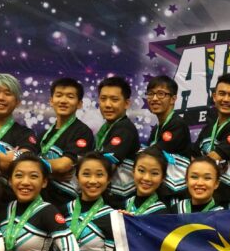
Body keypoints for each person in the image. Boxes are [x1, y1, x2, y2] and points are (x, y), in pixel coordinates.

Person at [192, 73, 230, 204]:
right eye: (222, 93)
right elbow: (193, 157)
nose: (225, 99)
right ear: (214, 97)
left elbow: (214, 157)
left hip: (229, 202)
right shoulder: (208, 128)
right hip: (204, 198)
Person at [39, 77, 95, 205]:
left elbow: (64, 165)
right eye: (59, 95)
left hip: (67, 203)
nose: (63, 101)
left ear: (79, 103)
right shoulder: (43, 135)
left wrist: (37, 167)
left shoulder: (82, 132)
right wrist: (49, 173)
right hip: (41, 201)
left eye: (70, 97)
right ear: (51, 101)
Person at [94, 77, 140, 209]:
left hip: (120, 202)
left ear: (126, 103)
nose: (107, 105)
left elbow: (105, 165)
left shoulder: (124, 128)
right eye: (103, 99)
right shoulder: (108, 128)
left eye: (114, 100)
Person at [145, 75, 192, 201]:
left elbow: (155, 153)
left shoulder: (177, 125)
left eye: (161, 94)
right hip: (162, 192)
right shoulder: (157, 129)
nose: (154, 99)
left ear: (173, 99)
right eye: (150, 94)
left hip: (176, 195)